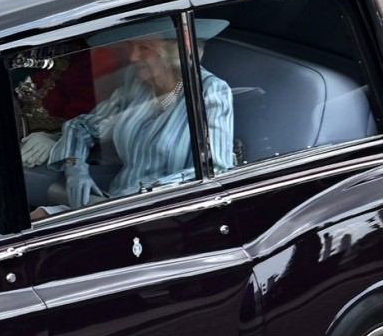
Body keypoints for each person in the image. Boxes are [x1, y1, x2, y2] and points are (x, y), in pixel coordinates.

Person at [33, 17, 234, 218]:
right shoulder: (136, 84)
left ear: (172, 51)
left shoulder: (210, 91)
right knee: (38, 217)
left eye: (143, 48)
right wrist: (75, 167)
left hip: (165, 213)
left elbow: (215, 168)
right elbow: (82, 126)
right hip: (114, 202)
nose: (133, 57)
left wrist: (150, 192)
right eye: (131, 47)